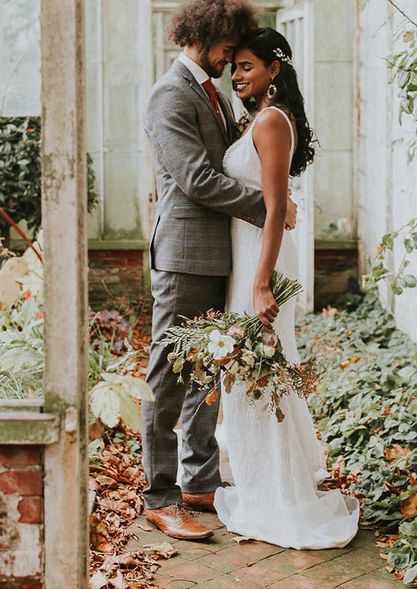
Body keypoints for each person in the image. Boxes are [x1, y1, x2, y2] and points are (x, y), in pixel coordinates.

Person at [141, 0, 296, 540]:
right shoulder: (169, 95)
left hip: (223, 254)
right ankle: (160, 497)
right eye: (227, 47)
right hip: (185, 255)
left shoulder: (213, 93)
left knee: (210, 369)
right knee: (169, 372)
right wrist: (268, 208)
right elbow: (196, 179)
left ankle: (199, 481)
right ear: (202, 36)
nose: (231, 58)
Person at [214, 27, 360, 549]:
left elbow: (276, 209)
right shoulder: (262, 118)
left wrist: (259, 284)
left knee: (259, 374)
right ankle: (266, 483)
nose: (238, 75)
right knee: (257, 373)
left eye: (248, 66)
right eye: (235, 67)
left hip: (263, 259)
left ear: (275, 69)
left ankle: (277, 494)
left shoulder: (272, 121)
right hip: (250, 255)